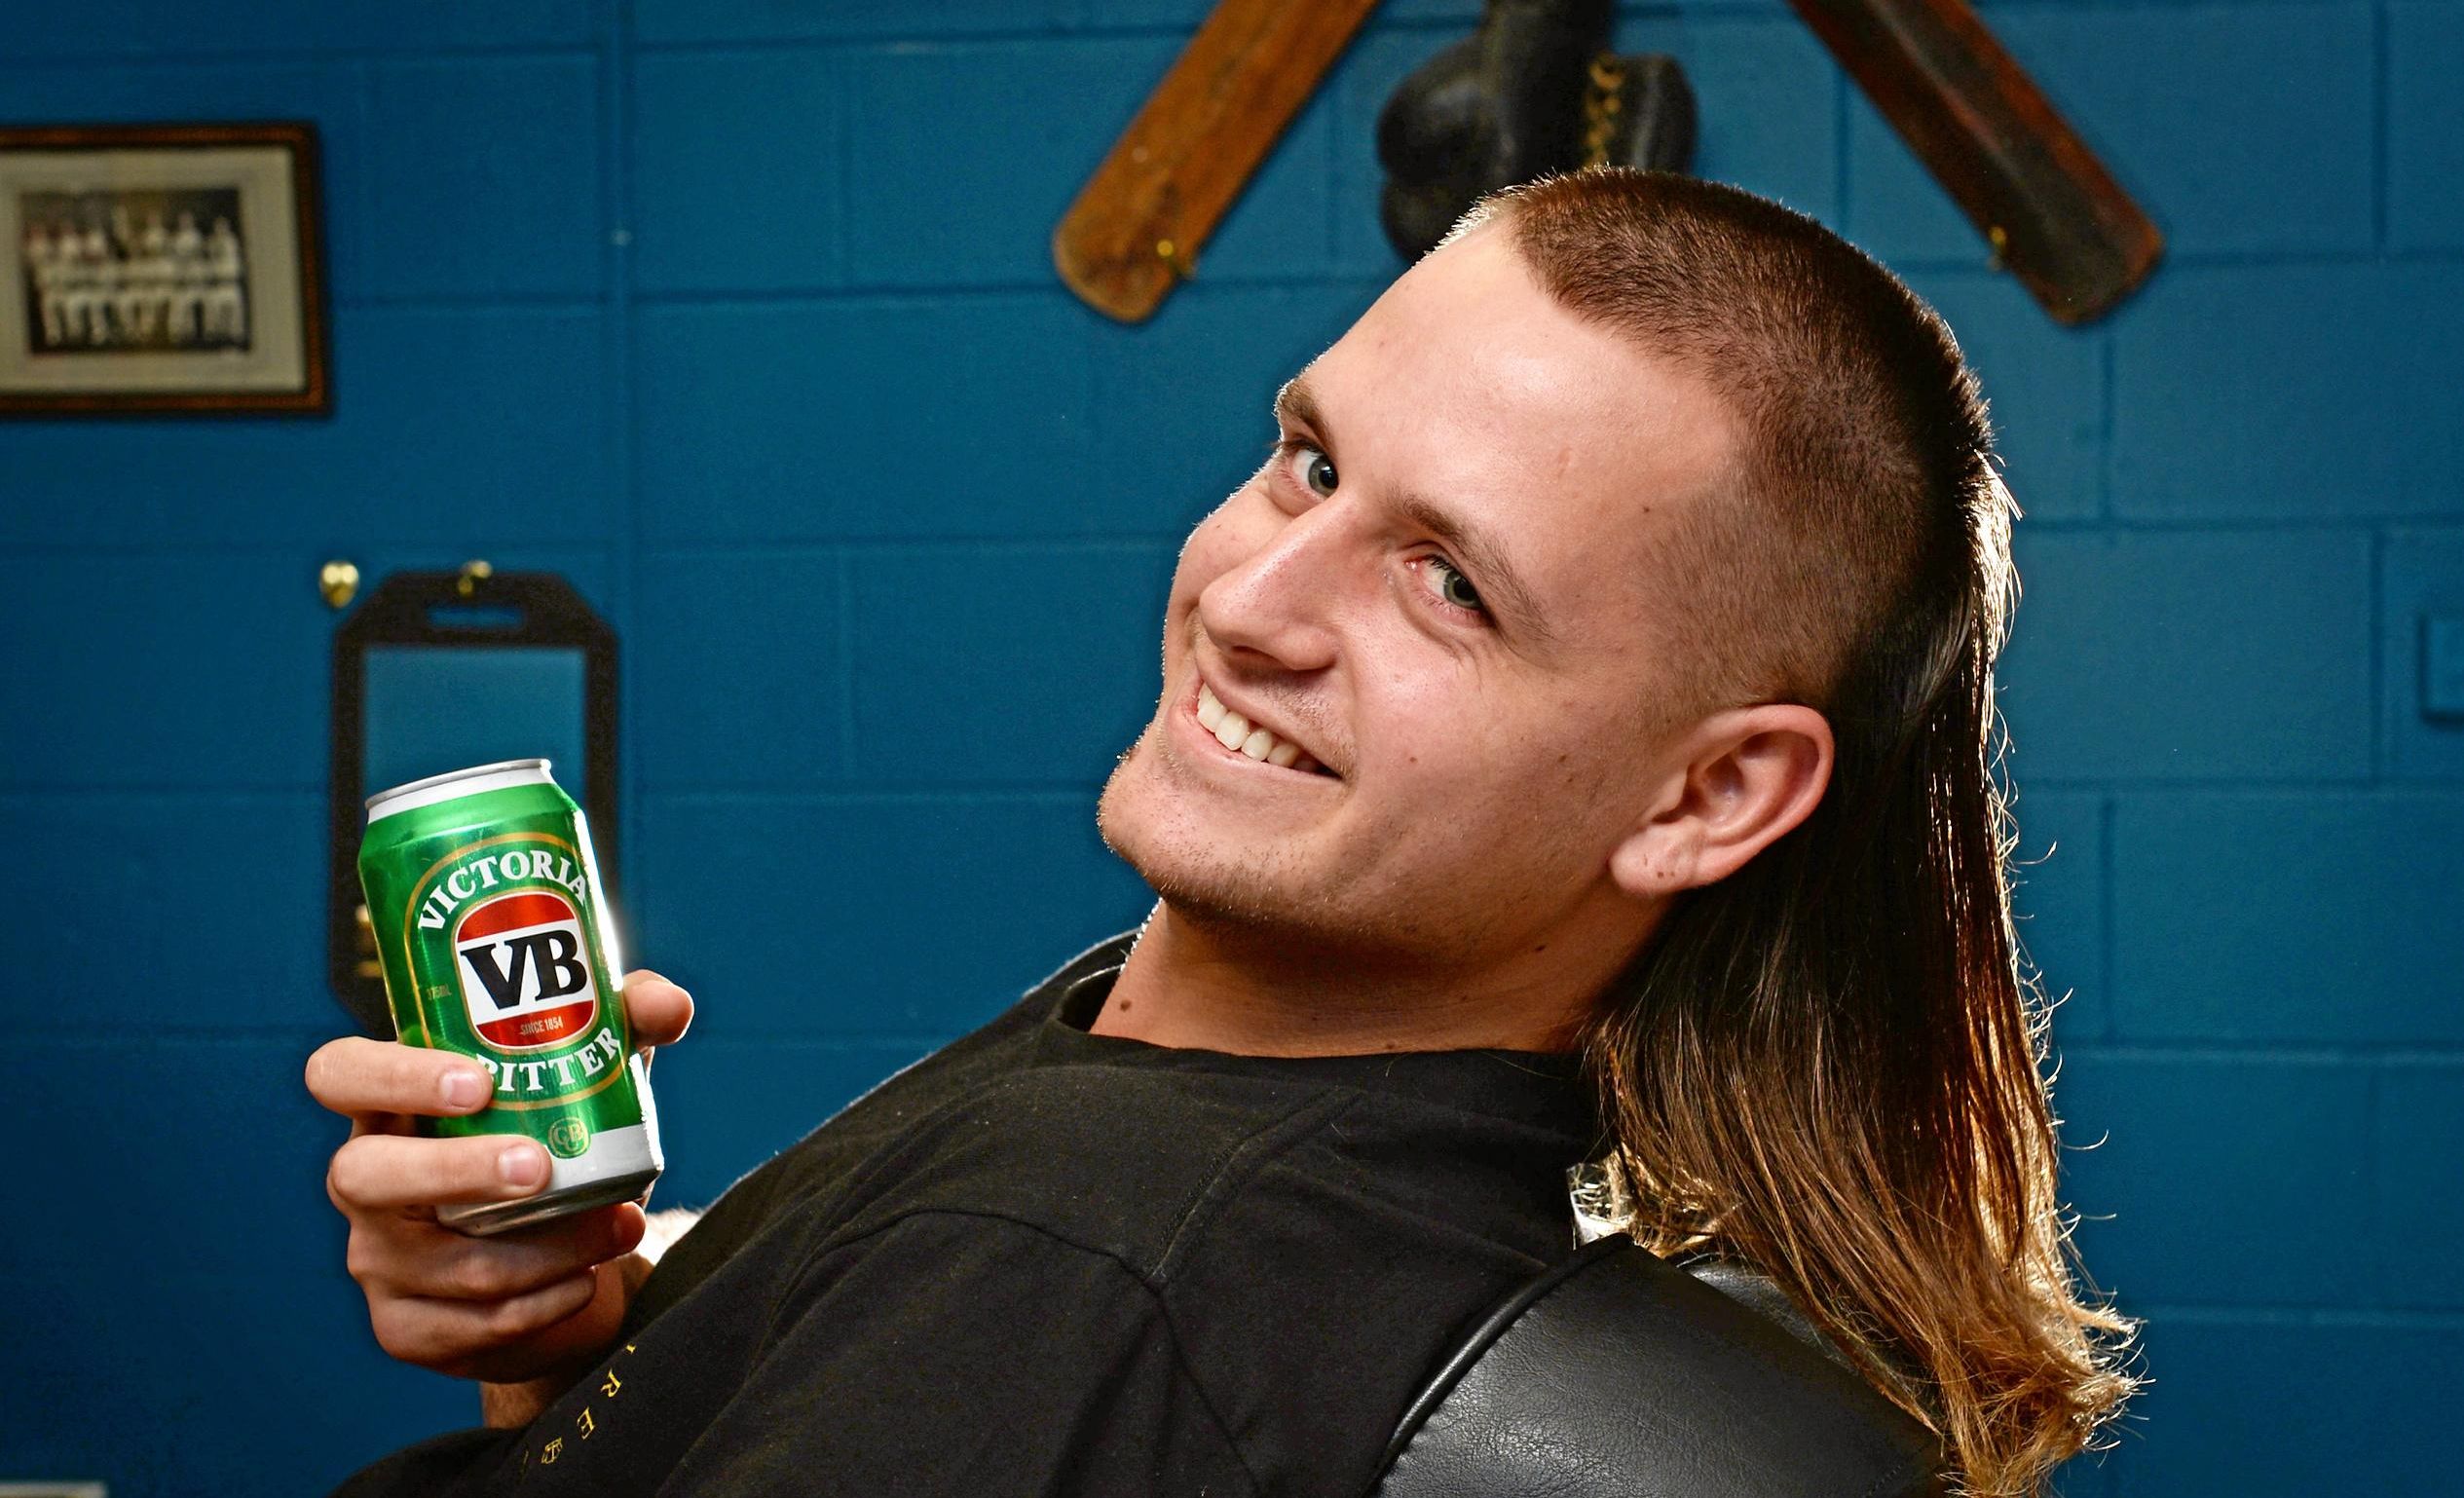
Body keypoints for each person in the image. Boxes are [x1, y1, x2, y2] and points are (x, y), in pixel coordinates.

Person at [309, 169, 2137, 1497]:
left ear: (1705, 795)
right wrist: (586, 1357)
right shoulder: (1199, 1121)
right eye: (1311, 462)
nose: (1253, 597)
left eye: (1446, 583)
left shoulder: (1097, 1262)